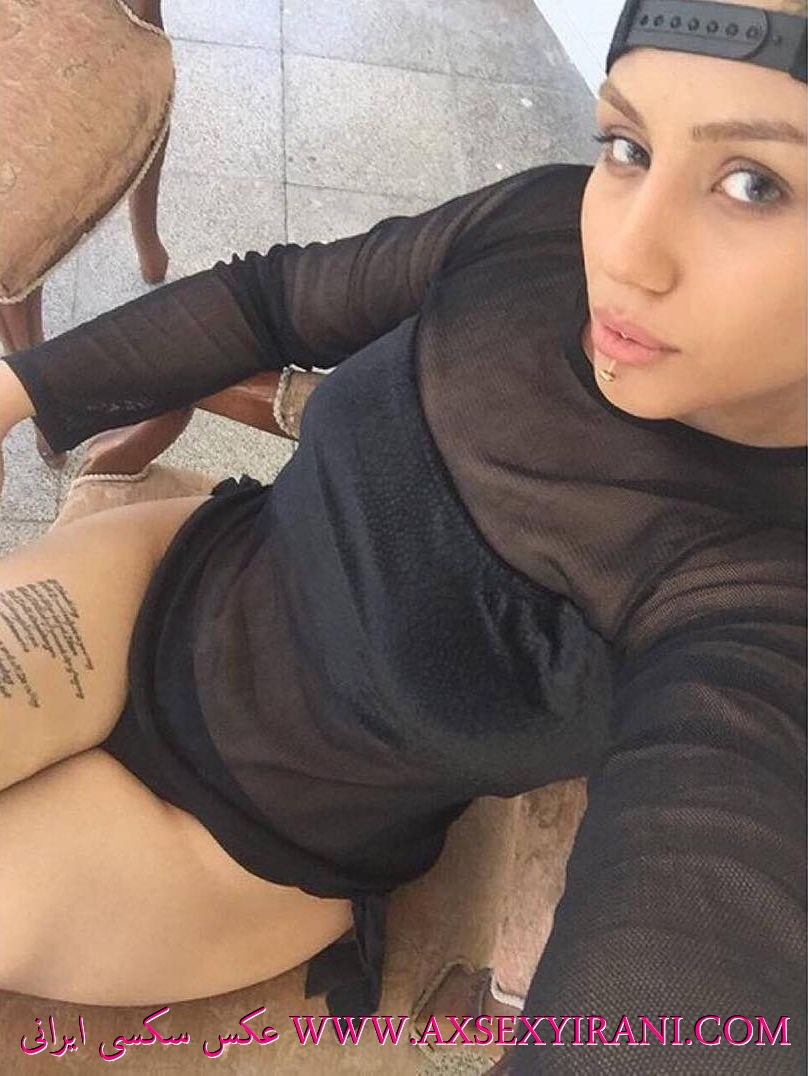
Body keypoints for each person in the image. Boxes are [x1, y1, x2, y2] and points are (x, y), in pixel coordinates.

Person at [0, 0, 805, 1069]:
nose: (624, 254)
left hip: (236, 841)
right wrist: (12, 389)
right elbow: (269, 301)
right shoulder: (534, 228)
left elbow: (703, 933)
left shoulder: (764, 593)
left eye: (754, 185)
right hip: (164, 581)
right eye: (629, 145)